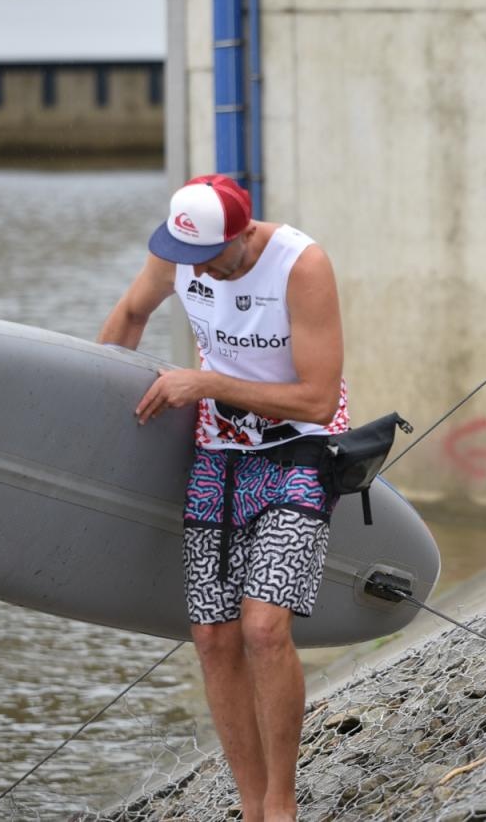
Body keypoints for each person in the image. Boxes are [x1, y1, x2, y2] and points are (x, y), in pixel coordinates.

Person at [98, 173, 349, 822]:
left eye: (205, 255)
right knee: (212, 635)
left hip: (302, 449)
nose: (191, 269)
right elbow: (130, 314)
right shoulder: (180, 249)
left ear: (239, 235)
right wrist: (89, 421)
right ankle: (248, 805)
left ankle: (281, 805)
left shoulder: (302, 265)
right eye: (182, 256)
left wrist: (207, 381)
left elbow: (320, 399)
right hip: (220, 451)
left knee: (264, 629)